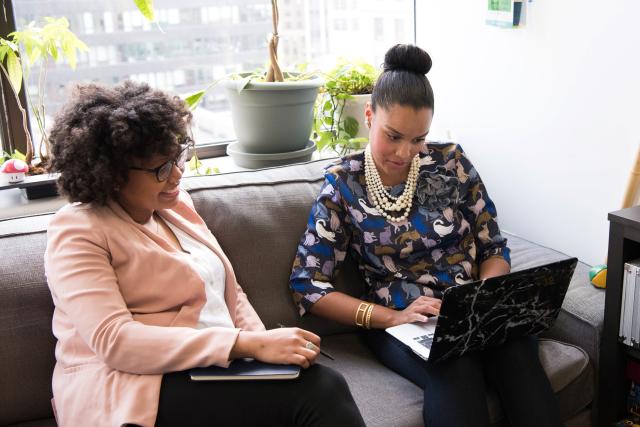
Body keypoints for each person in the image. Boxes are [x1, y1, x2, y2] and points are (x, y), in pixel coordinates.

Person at [45, 81, 365, 427]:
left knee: (307, 384)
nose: (177, 175)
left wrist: (266, 348)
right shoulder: (79, 230)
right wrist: (246, 346)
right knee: (320, 390)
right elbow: (115, 341)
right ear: (112, 175)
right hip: (130, 384)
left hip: (205, 370)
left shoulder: (176, 207)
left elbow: (229, 291)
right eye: (161, 169)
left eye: (177, 157)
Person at [290, 44, 562, 427]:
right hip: (401, 321)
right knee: (453, 364)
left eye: (418, 139)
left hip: (471, 310)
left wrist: (482, 298)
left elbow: (494, 246)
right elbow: (307, 284)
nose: (405, 152)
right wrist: (390, 317)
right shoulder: (343, 183)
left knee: (517, 349)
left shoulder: (452, 162)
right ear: (369, 116)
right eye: (394, 136)